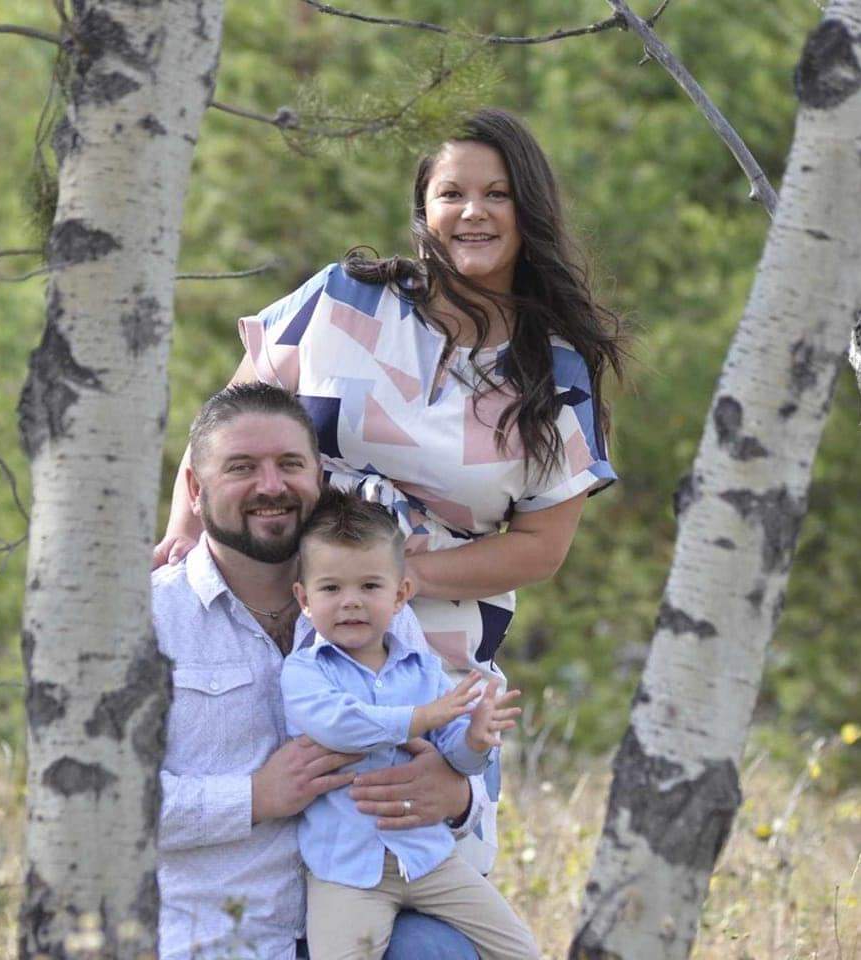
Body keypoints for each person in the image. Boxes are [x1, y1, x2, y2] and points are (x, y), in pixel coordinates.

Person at [155, 108, 624, 872]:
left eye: (497, 194)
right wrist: (182, 530)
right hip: (280, 638)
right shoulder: (344, 302)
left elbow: (542, 548)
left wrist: (401, 581)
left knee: (426, 904)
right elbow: (230, 425)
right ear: (423, 211)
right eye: (452, 193)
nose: (472, 211)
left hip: (431, 667)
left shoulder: (558, 372)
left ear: (528, 212)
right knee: (268, 885)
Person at [153, 384, 485, 960]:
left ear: (318, 480)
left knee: (442, 952)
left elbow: (447, 748)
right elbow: (99, 805)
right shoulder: (150, 619)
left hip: (376, 901)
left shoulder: (375, 608)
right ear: (195, 490)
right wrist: (254, 796)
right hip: (222, 932)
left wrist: (455, 797)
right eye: (241, 467)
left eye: (290, 465)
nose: (272, 486)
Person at [281, 488, 539, 960]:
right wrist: (420, 718)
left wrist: (475, 742)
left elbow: (451, 756)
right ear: (304, 598)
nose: (351, 603)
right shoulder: (305, 671)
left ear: (400, 594)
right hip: (348, 872)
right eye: (331, 588)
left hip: (428, 859)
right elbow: (340, 726)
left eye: (370, 587)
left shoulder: (422, 669)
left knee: (520, 950)